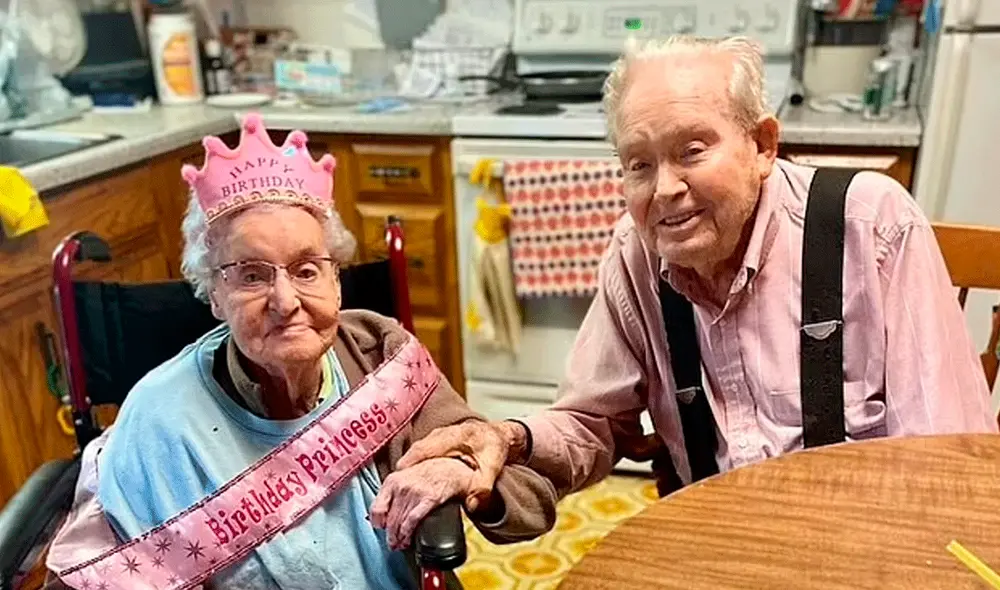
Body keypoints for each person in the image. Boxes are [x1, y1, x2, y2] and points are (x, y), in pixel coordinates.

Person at [396, 35, 999, 505]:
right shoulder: (634, 255)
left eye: (692, 150)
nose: (665, 190)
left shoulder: (870, 223)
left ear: (762, 146)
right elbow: (590, 424)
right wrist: (508, 437)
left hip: (862, 542)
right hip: (713, 537)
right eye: (638, 163)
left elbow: (943, 459)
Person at [43, 114, 557, 590]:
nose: (285, 301)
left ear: (337, 281)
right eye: (250, 275)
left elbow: (532, 504)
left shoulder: (379, 356)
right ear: (212, 294)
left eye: (308, 269)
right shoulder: (155, 421)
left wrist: (467, 474)